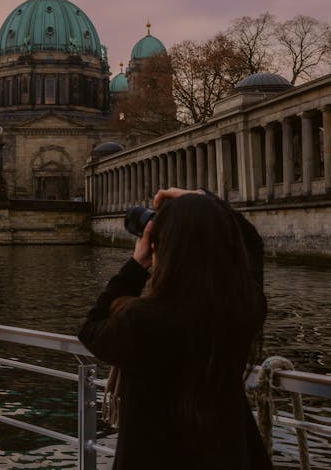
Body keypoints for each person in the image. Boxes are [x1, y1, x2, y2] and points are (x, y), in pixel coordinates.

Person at [78, 188, 273, 470]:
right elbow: (253, 244)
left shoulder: (140, 321)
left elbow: (91, 328)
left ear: (159, 246)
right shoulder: (244, 307)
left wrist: (137, 264)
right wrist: (205, 202)